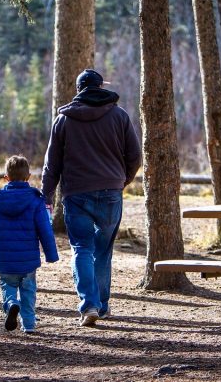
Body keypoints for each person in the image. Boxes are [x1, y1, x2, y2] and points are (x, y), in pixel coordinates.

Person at [42, 69, 141, 327]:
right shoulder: (119, 116)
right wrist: (122, 180)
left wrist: (47, 195)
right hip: (110, 192)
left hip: (76, 194)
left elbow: (51, 164)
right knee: (103, 251)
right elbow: (134, 156)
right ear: (100, 87)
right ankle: (103, 306)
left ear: (79, 90)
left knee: (82, 249)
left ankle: (89, 305)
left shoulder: (63, 120)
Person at [0, 155, 59, 333]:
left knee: (7, 285)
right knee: (28, 291)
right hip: (28, 259)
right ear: (28, 176)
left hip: (5, 259)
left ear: (6, 178)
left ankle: (10, 304)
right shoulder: (36, 200)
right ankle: (29, 325)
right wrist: (51, 254)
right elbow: (44, 229)